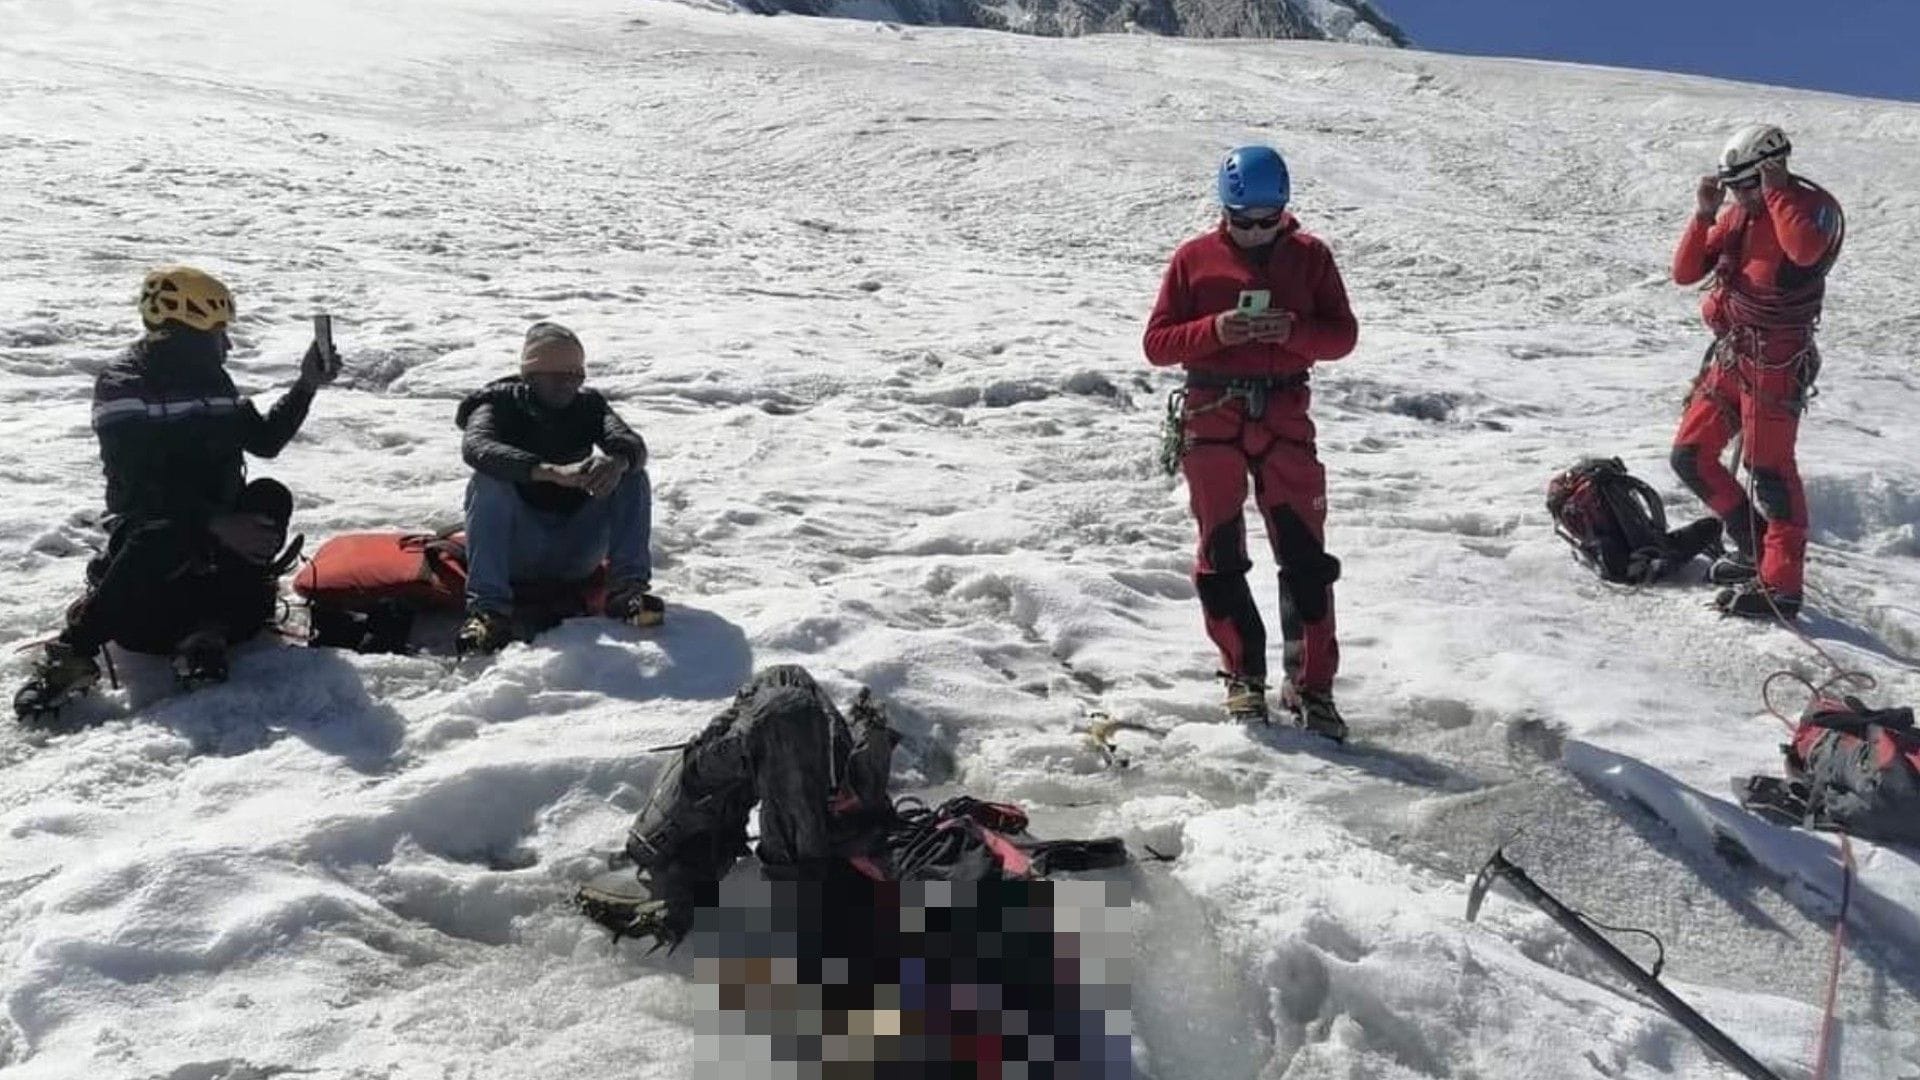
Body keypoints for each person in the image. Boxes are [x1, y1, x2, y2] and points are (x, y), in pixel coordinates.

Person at [14, 266, 335, 718]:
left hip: (218, 558)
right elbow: (135, 489)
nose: (227, 346)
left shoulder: (214, 382)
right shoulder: (124, 383)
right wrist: (214, 522)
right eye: (217, 334)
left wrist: (306, 386)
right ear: (181, 336)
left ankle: (206, 633)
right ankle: (74, 652)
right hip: (153, 558)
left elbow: (264, 441)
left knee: (269, 496)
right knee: (163, 530)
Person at [1142, 145, 1359, 738]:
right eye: (1245, 221)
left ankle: (1312, 687)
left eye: (1271, 220)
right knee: (1221, 553)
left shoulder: (1311, 257)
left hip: (1285, 416)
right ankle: (1243, 678)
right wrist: (1215, 331)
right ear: (1226, 210)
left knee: (1307, 559)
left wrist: (1294, 332)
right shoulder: (1194, 260)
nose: (1259, 232)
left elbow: (1342, 337)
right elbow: (1157, 343)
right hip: (1213, 417)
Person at [1670, 124, 1844, 621]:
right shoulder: (1736, 216)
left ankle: (1781, 586)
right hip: (1732, 354)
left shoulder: (1808, 210)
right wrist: (1705, 213)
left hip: (1775, 363)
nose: (1739, 196)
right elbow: (1685, 272)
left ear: (1772, 169)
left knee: (1769, 472)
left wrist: (1776, 192)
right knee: (1690, 455)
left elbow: (1805, 251)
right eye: (1734, 187)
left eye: (1746, 185)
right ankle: (1753, 547)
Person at [453, 321, 660, 654]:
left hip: (575, 548)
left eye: (575, 375)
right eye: (557, 376)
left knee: (631, 475)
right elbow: (477, 448)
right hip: (517, 550)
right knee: (488, 480)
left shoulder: (589, 405)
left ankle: (628, 593)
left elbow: (630, 443)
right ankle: (488, 611)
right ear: (531, 376)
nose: (569, 384)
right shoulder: (496, 404)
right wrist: (547, 472)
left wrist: (616, 462)